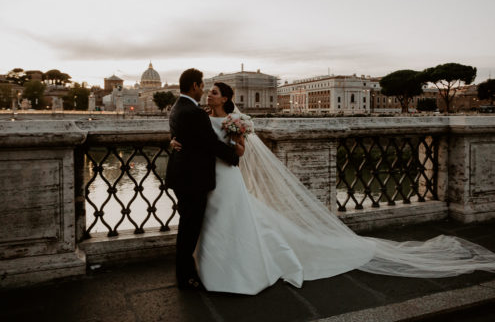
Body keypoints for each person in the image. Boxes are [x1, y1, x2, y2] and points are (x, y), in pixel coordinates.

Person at [171, 81, 495, 295]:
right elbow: (192, 136)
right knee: (212, 224)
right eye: (208, 90)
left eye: (214, 91)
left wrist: (237, 146)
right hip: (206, 180)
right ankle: (210, 268)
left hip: (225, 177)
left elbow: (241, 152)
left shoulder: (236, 120)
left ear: (226, 97)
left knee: (232, 221)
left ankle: (237, 271)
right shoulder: (199, 115)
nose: (208, 94)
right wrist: (174, 142)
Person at [165, 69, 241, 290]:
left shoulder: (177, 107)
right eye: (202, 86)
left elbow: (183, 135)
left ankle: (188, 271)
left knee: (188, 226)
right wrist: (233, 158)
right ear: (194, 86)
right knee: (189, 229)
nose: (204, 91)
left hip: (183, 176)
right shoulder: (195, 112)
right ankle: (186, 277)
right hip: (192, 178)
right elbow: (210, 143)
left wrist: (172, 140)